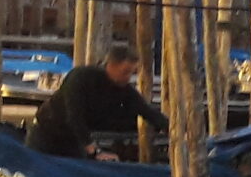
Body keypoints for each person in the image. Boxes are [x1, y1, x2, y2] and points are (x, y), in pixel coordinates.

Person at [28, 41, 167, 159]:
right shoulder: (81, 77)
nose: (128, 77)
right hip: (46, 133)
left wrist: (172, 128)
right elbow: (74, 116)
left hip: (72, 140)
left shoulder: (124, 90)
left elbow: (147, 112)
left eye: (131, 73)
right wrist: (94, 150)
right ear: (111, 65)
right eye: (125, 72)